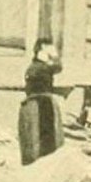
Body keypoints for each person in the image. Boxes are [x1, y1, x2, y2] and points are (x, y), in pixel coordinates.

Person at [19, 38, 65, 166]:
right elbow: (57, 67)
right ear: (42, 49)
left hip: (40, 104)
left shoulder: (38, 66)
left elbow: (57, 67)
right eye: (49, 47)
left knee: (42, 142)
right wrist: (54, 56)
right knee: (42, 142)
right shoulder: (38, 67)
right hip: (39, 106)